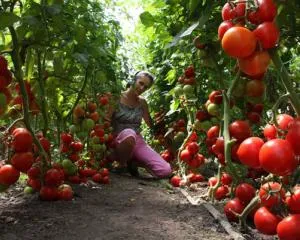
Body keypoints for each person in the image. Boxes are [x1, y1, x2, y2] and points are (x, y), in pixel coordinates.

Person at [105, 71, 172, 178]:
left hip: (137, 141)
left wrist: (166, 126)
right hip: (117, 142)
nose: (142, 88)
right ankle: (121, 165)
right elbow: (106, 121)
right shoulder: (116, 98)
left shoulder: (142, 103)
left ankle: (133, 161)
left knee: (165, 170)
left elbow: (150, 124)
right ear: (133, 80)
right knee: (129, 134)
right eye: (141, 83)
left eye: (145, 87)